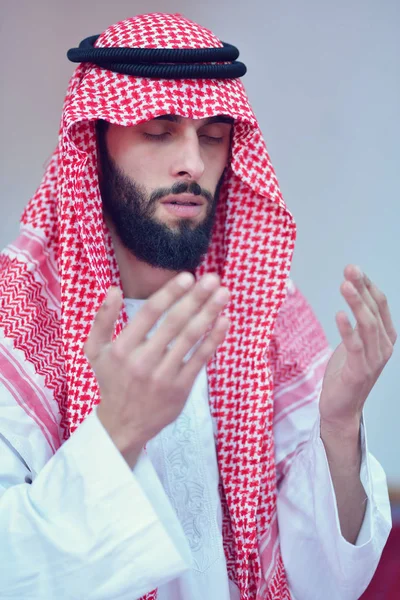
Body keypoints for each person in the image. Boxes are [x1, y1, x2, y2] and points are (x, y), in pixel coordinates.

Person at [0, 12, 396, 600]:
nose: (192, 162)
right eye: (159, 130)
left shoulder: (266, 313)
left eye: (212, 136)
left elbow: (318, 581)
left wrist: (340, 427)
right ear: (95, 144)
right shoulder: (18, 320)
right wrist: (119, 431)